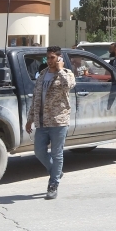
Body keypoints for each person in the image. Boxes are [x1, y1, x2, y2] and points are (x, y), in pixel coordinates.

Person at [25, 46, 76, 199]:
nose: (49, 61)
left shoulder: (67, 74)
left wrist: (60, 70)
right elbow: (35, 98)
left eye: (52, 58)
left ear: (59, 58)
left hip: (58, 121)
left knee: (57, 153)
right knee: (39, 152)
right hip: (42, 121)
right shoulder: (42, 74)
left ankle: (53, 184)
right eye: (47, 58)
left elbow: (69, 86)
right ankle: (57, 171)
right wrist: (30, 119)